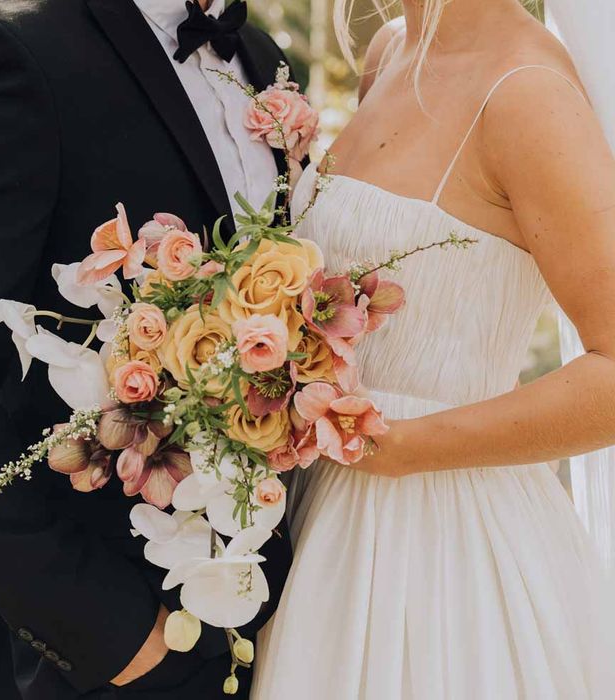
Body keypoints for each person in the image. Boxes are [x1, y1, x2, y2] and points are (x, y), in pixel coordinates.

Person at [0, 0, 295, 697]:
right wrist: (115, 634)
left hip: (280, 622)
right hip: (118, 656)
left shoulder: (264, 61)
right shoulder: (15, 51)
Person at [252, 0, 615, 697]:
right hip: (319, 517)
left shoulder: (527, 93)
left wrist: (409, 447)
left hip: (443, 552)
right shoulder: (390, 52)